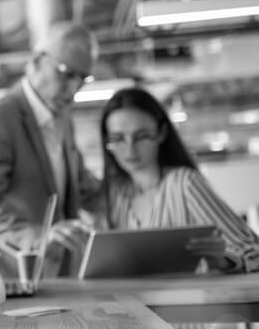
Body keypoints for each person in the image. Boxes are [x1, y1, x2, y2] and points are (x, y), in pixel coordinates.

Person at [0, 21, 101, 277]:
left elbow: (81, 185)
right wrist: (39, 237)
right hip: (2, 275)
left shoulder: (62, 120)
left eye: (83, 79)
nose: (74, 88)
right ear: (37, 61)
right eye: (67, 73)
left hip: (47, 275)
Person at [97, 87, 259, 273]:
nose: (129, 150)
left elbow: (253, 250)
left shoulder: (185, 184)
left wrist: (224, 260)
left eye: (141, 137)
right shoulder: (114, 195)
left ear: (162, 133)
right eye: (118, 138)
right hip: (131, 302)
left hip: (187, 301)